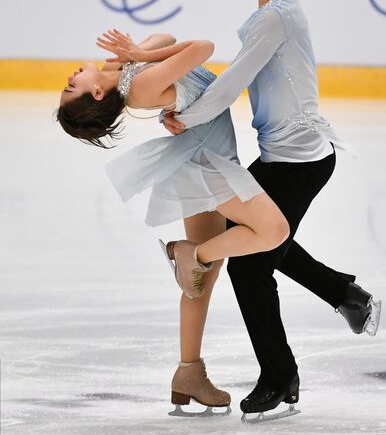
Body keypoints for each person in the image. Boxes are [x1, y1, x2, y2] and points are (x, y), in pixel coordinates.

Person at [162, 0, 381, 419]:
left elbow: (232, 81)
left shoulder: (277, 16)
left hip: (300, 159)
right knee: (262, 237)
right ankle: (345, 295)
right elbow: (230, 78)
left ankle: (280, 373)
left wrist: (186, 115)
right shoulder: (273, 11)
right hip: (287, 155)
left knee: (251, 257)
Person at [56, 29, 291, 414]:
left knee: (201, 280)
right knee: (272, 231)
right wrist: (138, 55)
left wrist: (136, 53)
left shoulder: (124, 71)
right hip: (207, 164)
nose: (70, 77)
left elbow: (162, 36)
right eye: (72, 86)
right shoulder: (141, 83)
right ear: (96, 94)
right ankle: (191, 252)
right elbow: (204, 48)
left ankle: (188, 372)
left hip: (197, 156)